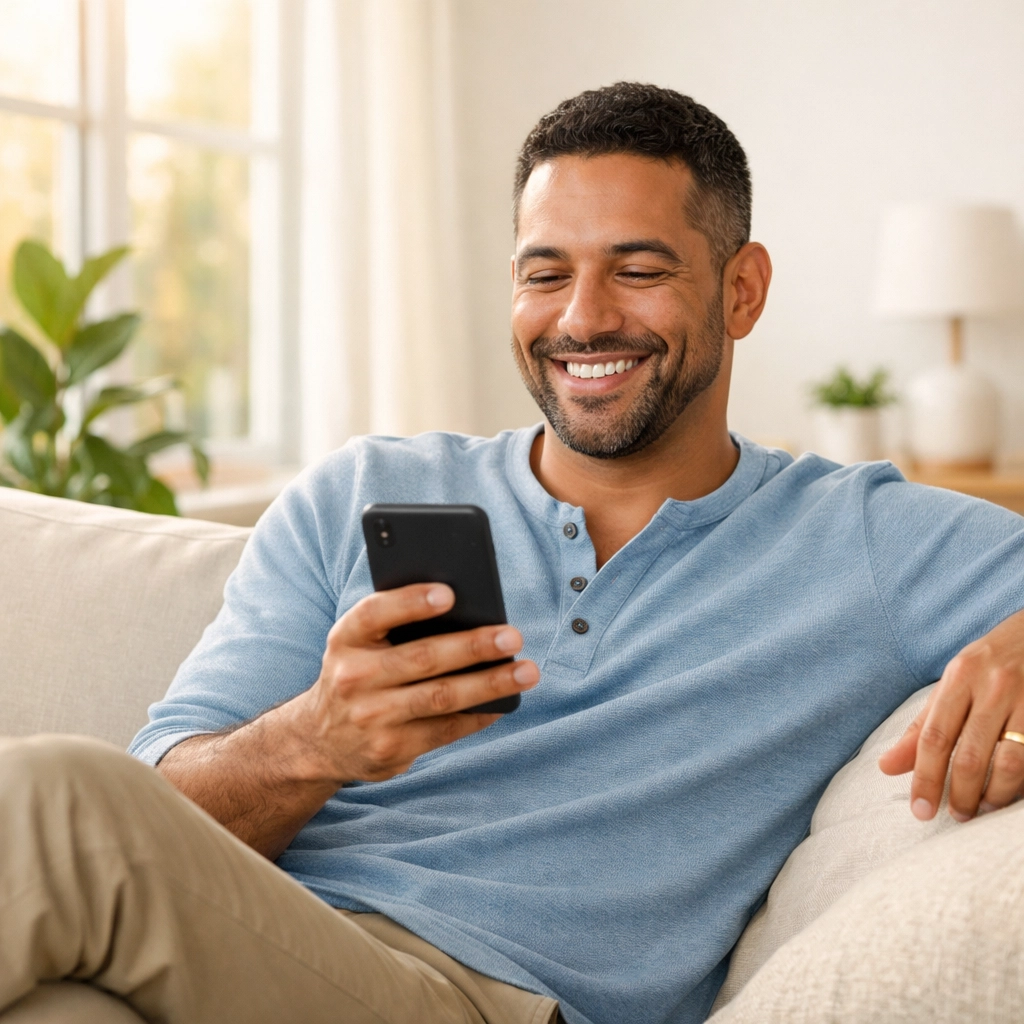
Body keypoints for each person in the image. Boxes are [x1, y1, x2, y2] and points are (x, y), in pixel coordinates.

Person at [2, 82, 1024, 1024]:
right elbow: (157, 817)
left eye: (638, 270)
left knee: (51, 793)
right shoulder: (360, 491)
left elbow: (89, 829)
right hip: (243, 949)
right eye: (546, 274)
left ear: (742, 290)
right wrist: (314, 741)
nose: (582, 318)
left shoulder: (857, 537)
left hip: (490, 998)